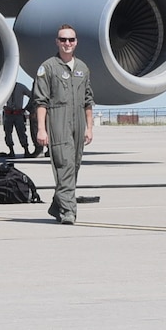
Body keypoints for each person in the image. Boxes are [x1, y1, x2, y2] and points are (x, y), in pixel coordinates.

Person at [33, 25, 94, 225]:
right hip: (57, 121)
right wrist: (41, 129)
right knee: (64, 164)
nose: (67, 43)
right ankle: (69, 211)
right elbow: (40, 102)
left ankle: (56, 205)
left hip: (78, 122)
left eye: (71, 40)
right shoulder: (48, 68)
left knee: (74, 164)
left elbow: (88, 100)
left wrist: (90, 127)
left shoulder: (83, 68)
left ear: (76, 42)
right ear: (57, 42)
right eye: (63, 40)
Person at [2, 80, 33, 157]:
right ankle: (11, 150)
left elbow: (31, 96)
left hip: (18, 113)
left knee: (21, 132)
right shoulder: (5, 87)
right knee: (7, 133)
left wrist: (26, 108)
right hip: (8, 113)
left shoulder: (21, 87)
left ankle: (26, 150)